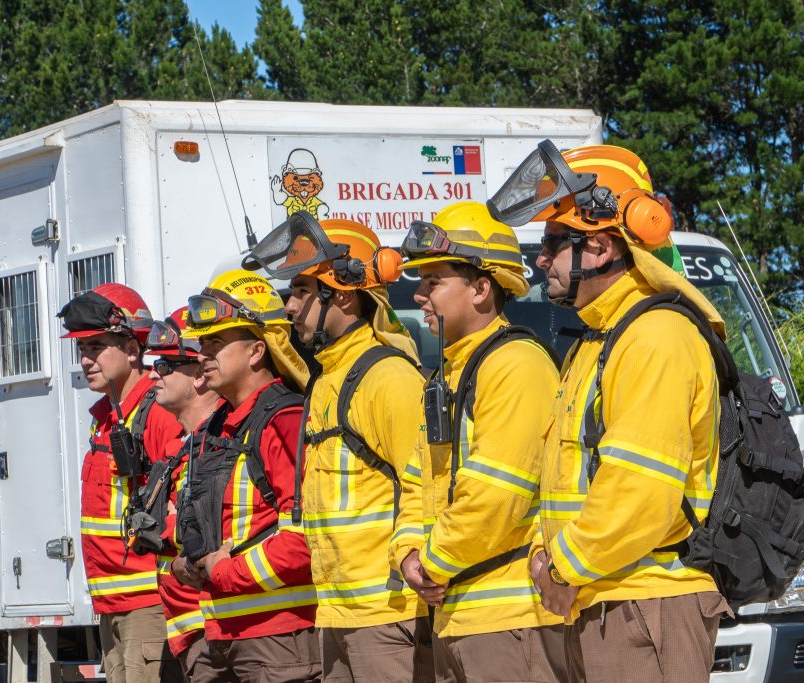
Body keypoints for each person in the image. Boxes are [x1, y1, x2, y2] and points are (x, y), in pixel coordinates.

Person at [489, 141, 731, 682]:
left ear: (599, 246)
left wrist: (561, 564)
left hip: (643, 605)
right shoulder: (599, 339)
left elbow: (639, 489)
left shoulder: (655, 336)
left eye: (554, 242)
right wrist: (547, 556)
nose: (540, 260)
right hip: (602, 596)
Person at [248, 213, 431, 681]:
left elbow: (426, 488)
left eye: (302, 292)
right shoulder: (328, 380)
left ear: (344, 295)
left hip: (388, 616)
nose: (289, 307)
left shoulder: (388, 377)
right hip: (338, 614)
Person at [390, 201, 565, 683]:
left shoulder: (516, 364)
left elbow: (497, 492)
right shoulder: (450, 373)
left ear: (482, 288)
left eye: (433, 281)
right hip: (460, 613)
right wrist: (407, 552)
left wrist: (429, 563)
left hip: (513, 620)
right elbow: (415, 478)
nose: (420, 295)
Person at [173, 270, 320, 682]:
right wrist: (186, 564)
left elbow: (304, 540)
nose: (202, 354)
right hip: (220, 632)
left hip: (279, 639)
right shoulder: (215, 427)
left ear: (257, 351)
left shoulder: (284, 419)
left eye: (215, 342)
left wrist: (223, 572)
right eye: (201, 342)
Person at [57, 283, 184, 683]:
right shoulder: (108, 419)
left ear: (132, 349)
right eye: (81, 349)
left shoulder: (158, 414)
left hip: (148, 603)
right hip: (112, 603)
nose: (85, 359)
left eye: (97, 348)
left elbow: (181, 504)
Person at [144, 307, 221, 681]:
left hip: (216, 632)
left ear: (200, 376)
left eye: (168, 365)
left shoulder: (218, 446)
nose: (156, 373)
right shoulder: (187, 445)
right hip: (193, 633)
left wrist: (171, 525)